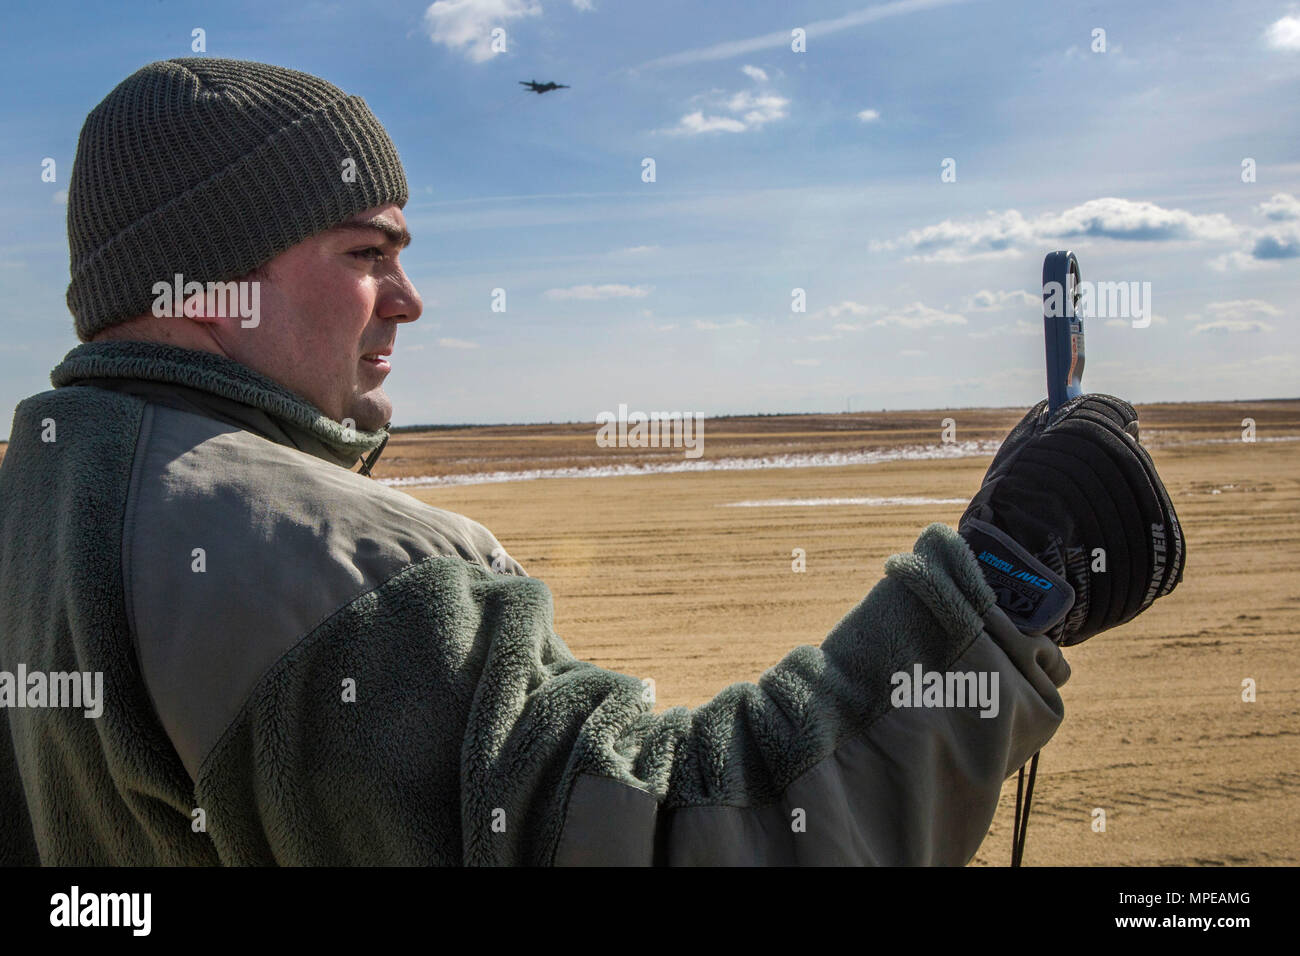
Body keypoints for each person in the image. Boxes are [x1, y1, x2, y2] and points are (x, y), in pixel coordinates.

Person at [0, 57, 1184, 866]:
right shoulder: (329, 570)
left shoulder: (40, 495)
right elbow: (693, 836)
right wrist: (992, 595)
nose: (409, 297)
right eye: (368, 252)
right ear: (209, 279)